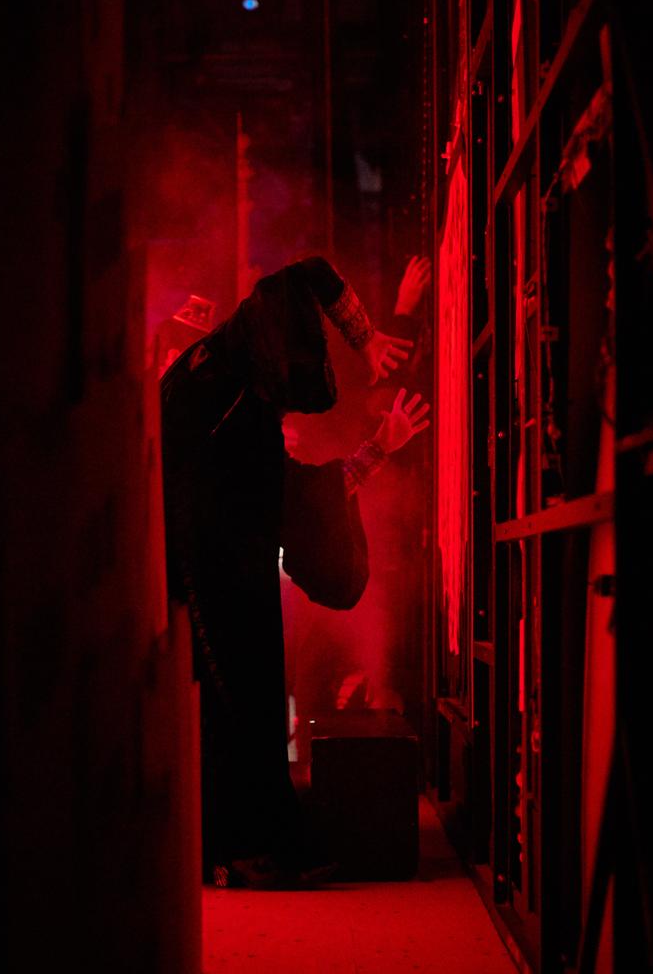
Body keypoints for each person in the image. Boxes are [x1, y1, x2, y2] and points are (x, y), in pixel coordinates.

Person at [159, 257, 429, 888]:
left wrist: (368, 340)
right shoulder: (230, 396)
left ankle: (242, 846)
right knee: (238, 713)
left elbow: (294, 495)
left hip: (215, 570)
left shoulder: (220, 372)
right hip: (212, 579)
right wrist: (378, 438)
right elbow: (298, 498)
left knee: (240, 712)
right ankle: (240, 850)